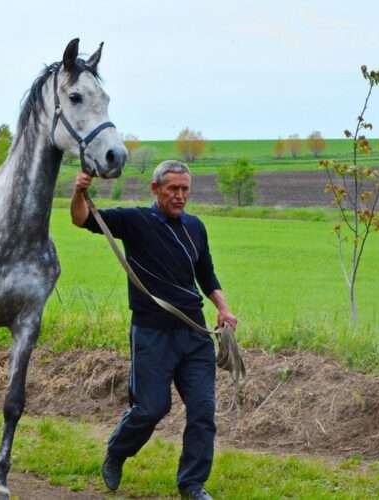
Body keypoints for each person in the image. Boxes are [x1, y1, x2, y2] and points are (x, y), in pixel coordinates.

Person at [70, 160, 238, 500]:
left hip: (194, 334)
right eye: (172, 189)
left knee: (203, 412)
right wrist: (79, 191)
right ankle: (117, 451)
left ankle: (191, 484)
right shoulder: (135, 221)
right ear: (155, 189)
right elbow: (81, 218)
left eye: (185, 189)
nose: (179, 196)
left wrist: (223, 307)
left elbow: (206, 274)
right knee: (151, 408)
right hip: (152, 334)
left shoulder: (195, 227)